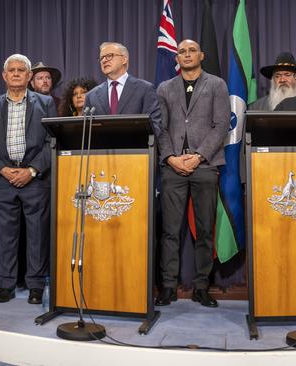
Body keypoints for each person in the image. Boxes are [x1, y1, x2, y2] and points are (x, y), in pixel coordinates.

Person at [155, 39, 230, 308]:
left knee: (204, 231)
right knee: (170, 232)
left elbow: (222, 124)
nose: (186, 55)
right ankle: (168, 287)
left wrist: (198, 157)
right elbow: (160, 128)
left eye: (191, 51)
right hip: (173, 167)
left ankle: (201, 287)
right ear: (177, 57)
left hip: (205, 166)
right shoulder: (165, 88)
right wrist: (172, 158)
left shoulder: (217, 84)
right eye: (182, 51)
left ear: (201, 54)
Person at [0, 54, 55, 304]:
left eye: (20, 70)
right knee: (5, 235)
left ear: (29, 76)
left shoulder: (45, 103)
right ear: (4, 76)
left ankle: (36, 286)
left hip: (34, 179)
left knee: (37, 235)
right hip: (3, 179)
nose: (15, 74)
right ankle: (5, 285)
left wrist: (32, 171)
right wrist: (2, 169)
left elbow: (51, 142)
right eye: (11, 70)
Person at [85, 42, 161, 136]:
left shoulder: (145, 89)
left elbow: (154, 127)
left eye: (109, 56)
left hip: (136, 149)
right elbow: (86, 132)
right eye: (101, 58)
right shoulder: (91, 96)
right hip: (102, 149)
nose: (104, 60)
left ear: (124, 59)